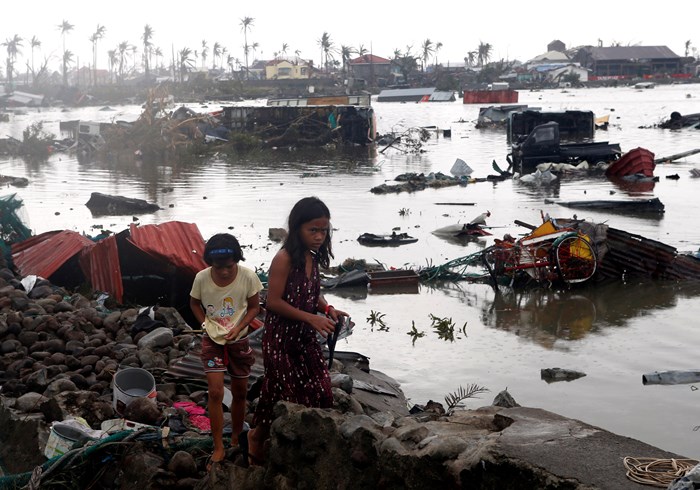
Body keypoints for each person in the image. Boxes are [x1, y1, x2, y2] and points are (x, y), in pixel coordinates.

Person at [243, 196, 347, 465]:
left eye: (324, 230)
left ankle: (259, 437)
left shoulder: (312, 258)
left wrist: (327, 309)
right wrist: (311, 319)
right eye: (313, 230)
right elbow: (273, 302)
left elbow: (312, 293)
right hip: (281, 340)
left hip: (304, 338)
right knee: (293, 396)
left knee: (321, 392)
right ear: (297, 228)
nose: (319, 236)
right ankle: (274, 445)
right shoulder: (284, 258)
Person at [189, 233, 263, 469]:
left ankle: (236, 436)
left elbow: (254, 307)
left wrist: (240, 327)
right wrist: (204, 324)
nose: (223, 272)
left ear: (236, 261)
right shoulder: (201, 278)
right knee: (215, 392)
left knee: (240, 393)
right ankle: (218, 445)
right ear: (210, 263)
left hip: (239, 342)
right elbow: (193, 303)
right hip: (212, 342)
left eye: (228, 267)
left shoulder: (248, 277)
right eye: (217, 267)